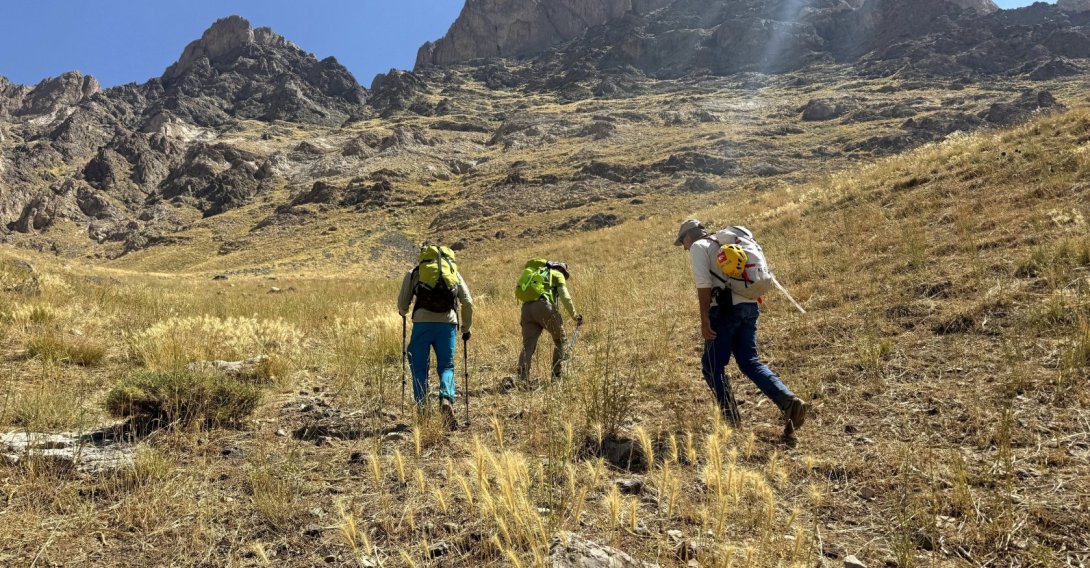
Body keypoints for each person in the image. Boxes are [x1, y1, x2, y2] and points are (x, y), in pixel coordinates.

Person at [674, 219, 809, 444]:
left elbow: (703, 286)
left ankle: (732, 422)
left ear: (689, 236)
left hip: (724, 312)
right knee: (749, 361)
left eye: (683, 242)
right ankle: (788, 401)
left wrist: (704, 319)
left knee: (712, 366)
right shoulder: (725, 242)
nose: (685, 247)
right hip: (749, 306)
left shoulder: (699, 247)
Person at [397, 244, 473, 430]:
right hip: (447, 324)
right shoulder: (453, 273)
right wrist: (466, 327)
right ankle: (446, 398)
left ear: (423, 258)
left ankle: (423, 408)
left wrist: (403, 311)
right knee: (446, 366)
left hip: (422, 324)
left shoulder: (415, 273)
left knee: (419, 367)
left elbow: (402, 304)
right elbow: (468, 302)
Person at [515, 259, 583, 383]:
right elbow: (565, 296)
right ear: (562, 270)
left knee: (528, 346)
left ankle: (522, 380)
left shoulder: (537, 272)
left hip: (526, 309)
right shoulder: (557, 275)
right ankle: (556, 377)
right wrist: (574, 315)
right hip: (542, 306)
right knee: (560, 340)